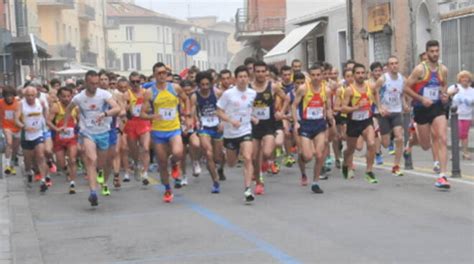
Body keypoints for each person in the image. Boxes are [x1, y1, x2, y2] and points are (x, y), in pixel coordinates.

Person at [63, 70, 120, 206]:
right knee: (91, 160)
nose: (95, 86)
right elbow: (69, 109)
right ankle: (93, 193)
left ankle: (100, 172)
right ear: (86, 82)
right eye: (92, 83)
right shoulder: (79, 97)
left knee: (101, 163)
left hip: (103, 132)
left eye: (97, 83)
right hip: (87, 132)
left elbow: (117, 108)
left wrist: (105, 113)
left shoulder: (104, 94)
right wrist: (65, 124)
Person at [141, 62, 192, 203]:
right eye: (159, 73)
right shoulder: (150, 92)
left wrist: (187, 116)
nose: (162, 75)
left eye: (164, 72)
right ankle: (168, 189)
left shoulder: (174, 87)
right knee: (162, 163)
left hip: (174, 128)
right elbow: (142, 113)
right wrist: (152, 116)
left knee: (178, 153)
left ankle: (175, 164)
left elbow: (186, 99)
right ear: (154, 75)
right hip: (158, 132)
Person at [404, 40, 450, 189]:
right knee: (425, 145)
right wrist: (421, 98)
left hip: (437, 107)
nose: (435, 54)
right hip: (421, 108)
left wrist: (444, 95)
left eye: (437, 51)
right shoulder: (420, 70)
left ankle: (442, 176)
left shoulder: (443, 69)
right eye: (432, 51)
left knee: (442, 138)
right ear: (427, 52)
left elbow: (444, 85)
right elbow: (406, 88)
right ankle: (413, 139)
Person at [216, 65, 257, 203]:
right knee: (232, 163)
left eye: (245, 76)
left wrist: (253, 117)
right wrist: (229, 120)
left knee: (247, 157)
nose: (243, 79)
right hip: (230, 132)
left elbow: (249, 109)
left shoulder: (252, 93)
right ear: (235, 78)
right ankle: (225, 153)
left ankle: (247, 189)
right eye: (240, 77)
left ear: (248, 78)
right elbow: (219, 111)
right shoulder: (228, 94)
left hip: (246, 130)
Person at [292, 64, 332, 193]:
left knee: (320, 155)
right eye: (313, 75)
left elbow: (328, 106)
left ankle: (315, 182)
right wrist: (296, 122)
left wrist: (330, 116)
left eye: (318, 75)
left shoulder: (327, 90)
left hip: (319, 124)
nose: (316, 78)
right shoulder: (303, 89)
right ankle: (302, 158)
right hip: (306, 125)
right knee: (308, 156)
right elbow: (294, 105)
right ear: (309, 76)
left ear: (322, 75)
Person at [250, 61, 288, 194]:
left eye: (263, 71)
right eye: (258, 71)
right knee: (254, 157)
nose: (260, 74)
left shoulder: (272, 86)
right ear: (254, 72)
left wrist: (281, 112)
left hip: (269, 125)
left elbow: (286, 98)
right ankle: (259, 182)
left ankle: (265, 162)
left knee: (266, 152)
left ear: (266, 72)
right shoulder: (249, 88)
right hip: (253, 126)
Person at [341, 63, 378, 183]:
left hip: (367, 120)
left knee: (372, 143)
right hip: (353, 122)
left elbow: (376, 95)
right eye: (358, 73)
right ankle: (345, 163)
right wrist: (356, 108)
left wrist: (380, 107)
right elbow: (343, 108)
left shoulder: (370, 86)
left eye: (363, 73)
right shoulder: (349, 90)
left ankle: (369, 171)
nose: (361, 75)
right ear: (353, 75)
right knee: (350, 150)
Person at [374, 56, 409, 176]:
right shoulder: (383, 79)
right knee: (385, 143)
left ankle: (396, 166)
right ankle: (378, 131)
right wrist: (379, 107)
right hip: (385, 113)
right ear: (388, 67)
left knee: (399, 138)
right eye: (391, 64)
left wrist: (404, 104)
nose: (394, 65)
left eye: (396, 63)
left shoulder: (403, 79)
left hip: (396, 112)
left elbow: (402, 94)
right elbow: (375, 92)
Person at [191, 71, 225, 193]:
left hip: (217, 126)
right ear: (198, 85)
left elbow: (225, 108)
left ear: (211, 83)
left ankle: (218, 164)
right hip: (204, 127)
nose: (205, 87)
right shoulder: (195, 96)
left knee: (217, 157)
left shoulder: (217, 93)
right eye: (202, 85)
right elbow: (193, 112)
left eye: (207, 84)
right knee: (208, 153)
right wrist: (196, 121)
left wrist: (223, 122)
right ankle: (215, 181)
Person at [15, 86, 50, 192]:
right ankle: (29, 171)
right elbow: (16, 119)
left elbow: (45, 115)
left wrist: (46, 125)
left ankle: (43, 180)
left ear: (36, 95)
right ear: (24, 95)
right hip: (26, 135)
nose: (30, 98)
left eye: (32, 95)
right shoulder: (21, 104)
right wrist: (24, 126)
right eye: (28, 95)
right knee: (28, 159)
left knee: (40, 155)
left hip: (38, 133)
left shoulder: (41, 102)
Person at [47, 87, 79, 194]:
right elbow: (48, 121)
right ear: (59, 97)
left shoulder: (75, 107)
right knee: (60, 162)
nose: (66, 98)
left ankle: (72, 183)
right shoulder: (56, 107)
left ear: (72, 96)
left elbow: (80, 120)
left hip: (72, 138)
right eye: (63, 96)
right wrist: (56, 129)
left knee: (72, 159)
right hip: (59, 137)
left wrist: (78, 127)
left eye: (68, 96)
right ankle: (66, 171)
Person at [123, 72, 151, 184]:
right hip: (131, 123)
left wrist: (144, 109)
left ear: (141, 81)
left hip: (143, 122)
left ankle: (145, 172)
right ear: (130, 82)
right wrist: (128, 108)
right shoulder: (127, 94)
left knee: (145, 148)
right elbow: (124, 109)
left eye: (137, 81)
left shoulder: (145, 93)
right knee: (134, 150)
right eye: (133, 82)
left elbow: (149, 108)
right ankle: (136, 163)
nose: (135, 84)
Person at [449, 70, 474, 160]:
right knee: (457, 134)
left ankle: (465, 153)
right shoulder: (455, 87)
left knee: (465, 135)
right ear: (460, 79)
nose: (465, 79)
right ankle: (454, 153)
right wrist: (452, 92)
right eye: (463, 78)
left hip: (467, 116)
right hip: (456, 116)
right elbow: (446, 94)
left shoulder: (472, 91)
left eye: (467, 78)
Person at [0, 86, 20, 175]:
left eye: (10, 95)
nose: (8, 97)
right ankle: (7, 164)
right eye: (7, 95)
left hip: (17, 128)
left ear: (13, 96)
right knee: (9, 142)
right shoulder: (1, 103)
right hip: (6, 127)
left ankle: (11, 166)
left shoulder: (18, 103)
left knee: (15, 149)